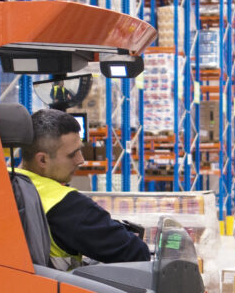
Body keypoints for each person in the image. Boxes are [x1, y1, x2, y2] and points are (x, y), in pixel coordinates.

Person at [13, 108, 152, 265]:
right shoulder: (66, 204)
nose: (81, 160)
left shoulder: (6, 183)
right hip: (56, 288)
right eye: (73, 154)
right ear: (43, 160)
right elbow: (136, 253)